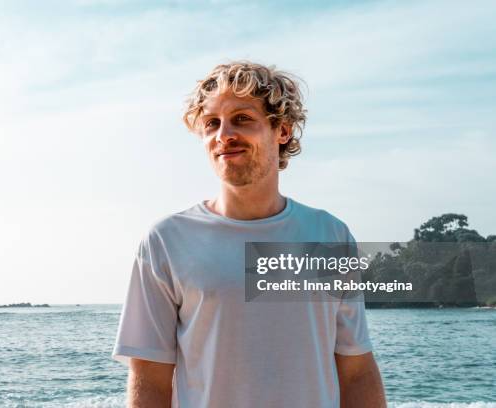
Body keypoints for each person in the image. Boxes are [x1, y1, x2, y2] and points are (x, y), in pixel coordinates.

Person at [112, 61, 386, 408]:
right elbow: (149, 379)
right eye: (212, 123)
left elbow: (356, 369)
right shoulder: (166, 240)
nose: (223, 134)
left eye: (242, 118)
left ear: (282, 131)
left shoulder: (329, 234)